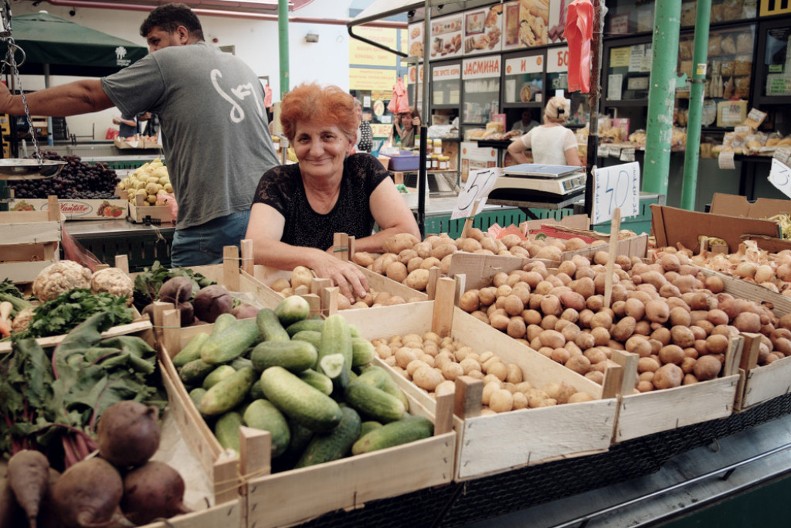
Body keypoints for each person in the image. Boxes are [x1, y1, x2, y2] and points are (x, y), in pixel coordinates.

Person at [0, 3, 279, 266]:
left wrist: (14, 103)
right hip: (271, 210)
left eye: (156, 41)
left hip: (217, 219)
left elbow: (89, 96)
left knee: (188, 306)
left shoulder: (170, 61)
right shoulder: (242, 67)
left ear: (181, 34)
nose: (152, 53)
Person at [245, 83, 420, 301]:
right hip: (292, 301)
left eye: (327, 136)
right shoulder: (278, 182)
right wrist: (316, 258)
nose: (316, 151)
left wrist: (340, 251)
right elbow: (256, 247)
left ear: (350, 141)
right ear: (292, 143)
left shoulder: (363, 171)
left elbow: (408, 233)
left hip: (355, 297)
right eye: (304, 138)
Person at [506, 96, 582, 166]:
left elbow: (512, 148)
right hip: (557, 180)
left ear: (546, 112)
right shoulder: (567, 134)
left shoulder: (535, 131)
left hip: (538, 179)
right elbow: (575, 165)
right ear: (565, 115)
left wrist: (530, 167)